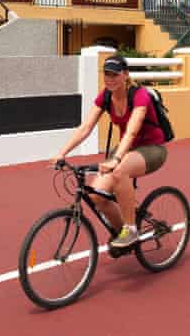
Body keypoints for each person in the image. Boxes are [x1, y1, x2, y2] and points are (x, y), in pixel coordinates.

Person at [50, 55, 168, 249]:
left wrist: (116, 160)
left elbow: (132, 131)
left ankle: (131, 230)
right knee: (97, 196)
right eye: (107, 74)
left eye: (115, 74)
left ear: (126, 74)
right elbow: (86, 127)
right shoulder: (105, 96)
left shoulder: (139, 95)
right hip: (125, 149)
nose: (110, 78)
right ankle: (124, 234)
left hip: (152, 148)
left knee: (120, 171)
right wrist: (62, 153)